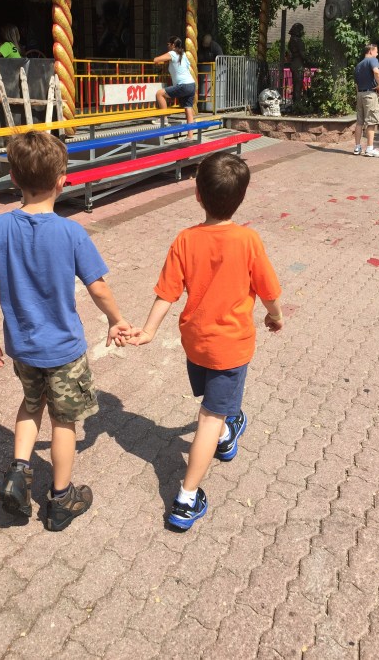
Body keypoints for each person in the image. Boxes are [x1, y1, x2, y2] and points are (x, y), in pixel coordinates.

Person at [0, 131, 131, 531]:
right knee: (64, 421)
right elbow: (97, 286)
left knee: (30, 405)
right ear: (63, 180)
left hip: (22, 347)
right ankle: (61, 499)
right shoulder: (72, 232)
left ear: (12, 177)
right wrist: (116, 319)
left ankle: (19, 472)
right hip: (64, 350)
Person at [125, 151, 284, 530]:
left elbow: (167, 293)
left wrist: (148, 331)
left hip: (195, 343)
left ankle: (228, 434)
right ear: (241, 198)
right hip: (231, 346)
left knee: (217, 402)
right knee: (210, 416)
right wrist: (275, 316)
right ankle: (186, 498)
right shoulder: (248, 240)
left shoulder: (185, 239)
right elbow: (269, 291)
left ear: (197, 195)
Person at [154, 36, 197, 141]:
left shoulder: (173, 53)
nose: (167, 46)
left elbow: (156, 60)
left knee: (159, 94)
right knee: (188, 108)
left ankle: (164, 118)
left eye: (168, 44)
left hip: (183, 85)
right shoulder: (183, 55)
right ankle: (190, 136)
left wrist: (161, 62)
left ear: (173, 45)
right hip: (191, 84)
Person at [353, 43, 379, 157]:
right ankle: (369, 149)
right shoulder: (372, 60)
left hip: (360, 94)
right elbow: (376, 71)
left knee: (359, 122)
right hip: (370, 94)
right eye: (376, 51)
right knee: (371, 122)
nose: (377, 53)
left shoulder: (359, 65)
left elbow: (356, 83)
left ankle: (357, 147)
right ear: (371, 51)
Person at [287, 23, 306, 104]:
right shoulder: (298, 41)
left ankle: (296, 104)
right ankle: (297, 105)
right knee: (298, 86)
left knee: (296, 85)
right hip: (298, 64)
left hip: (294, 63)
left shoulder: (291, 41)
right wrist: (311, 62)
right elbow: (303, 55)